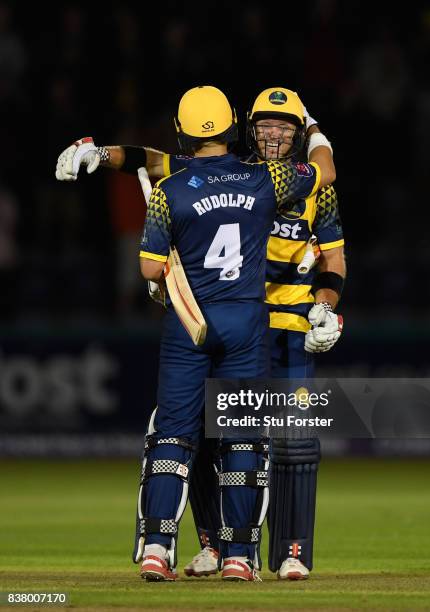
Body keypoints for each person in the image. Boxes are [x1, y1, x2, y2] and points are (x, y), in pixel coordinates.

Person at [56, 85, 336, 582]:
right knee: (243, 439)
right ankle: (237, 555)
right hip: (247, 325)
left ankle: (157, 548)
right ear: (236, 126)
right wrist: (314, 128)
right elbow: (324, 172)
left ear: (182, 132)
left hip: (194, 321)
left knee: (173, 435)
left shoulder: (171, 185)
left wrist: (100, 155)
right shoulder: (263, 177)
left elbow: (147, 260)